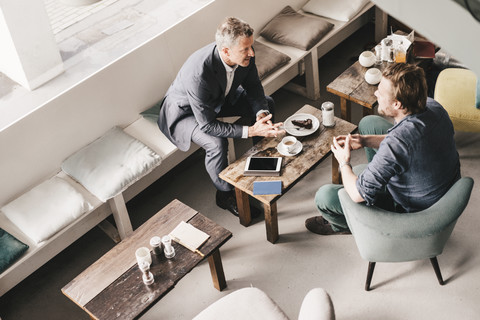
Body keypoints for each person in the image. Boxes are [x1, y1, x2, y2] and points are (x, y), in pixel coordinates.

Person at [305, 63, 461, 235]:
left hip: (415, 211)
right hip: (442, 191)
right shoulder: (434, 107)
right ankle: (378, 177)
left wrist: (344, 162)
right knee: (368, 123)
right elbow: (409, 142)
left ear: (398, 104)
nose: (375, 93)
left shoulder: (397, 144)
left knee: (325, 197)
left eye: (381, 92)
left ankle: (345, 225)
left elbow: (358, 194)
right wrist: (364, 141)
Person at [158, 17, 284, 217]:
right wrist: (251, 130)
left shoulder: (245, 51)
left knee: (267, 104)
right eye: (245, 50)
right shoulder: (198, 73)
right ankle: (224, 194)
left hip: (218, 98)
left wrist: (260, 116)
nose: (251, 53)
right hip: (185, 111)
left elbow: (253, 88)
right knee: (216, 142)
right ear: (225, 51)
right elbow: (207, 125)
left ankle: (261, 163)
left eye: (251, 47)